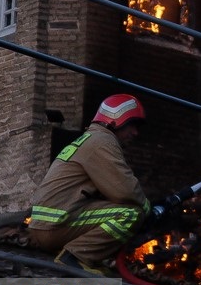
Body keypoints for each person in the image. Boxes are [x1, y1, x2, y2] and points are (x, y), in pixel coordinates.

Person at [28, 94, 151, 275]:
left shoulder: (90, 139)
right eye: (133, 124)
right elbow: (125, 190)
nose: (136, 133)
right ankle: (74, 258)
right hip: (55, 226)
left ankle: (82, 257)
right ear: (116, 119)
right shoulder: (102, 142)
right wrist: (149, 208)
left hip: (46, 225)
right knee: (131, 213)